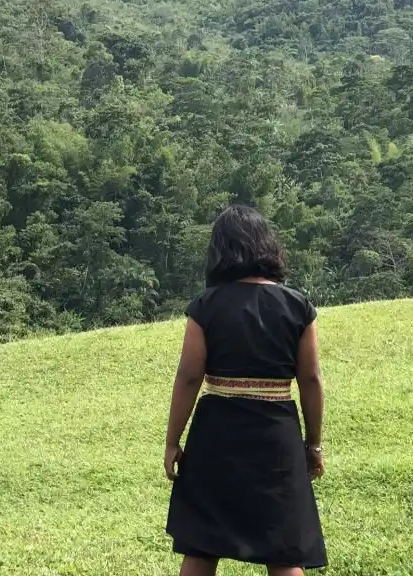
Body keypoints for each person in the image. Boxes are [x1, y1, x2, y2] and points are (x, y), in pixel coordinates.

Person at [163, 204, 327, 576]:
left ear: (219, 251)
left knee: (202, 547)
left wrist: (172, 441)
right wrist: (313, 445)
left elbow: (188, 377)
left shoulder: (205, 307)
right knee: (284, 552)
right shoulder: (298, 307)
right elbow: (311, 380)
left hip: (215, 436)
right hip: (276, 436)